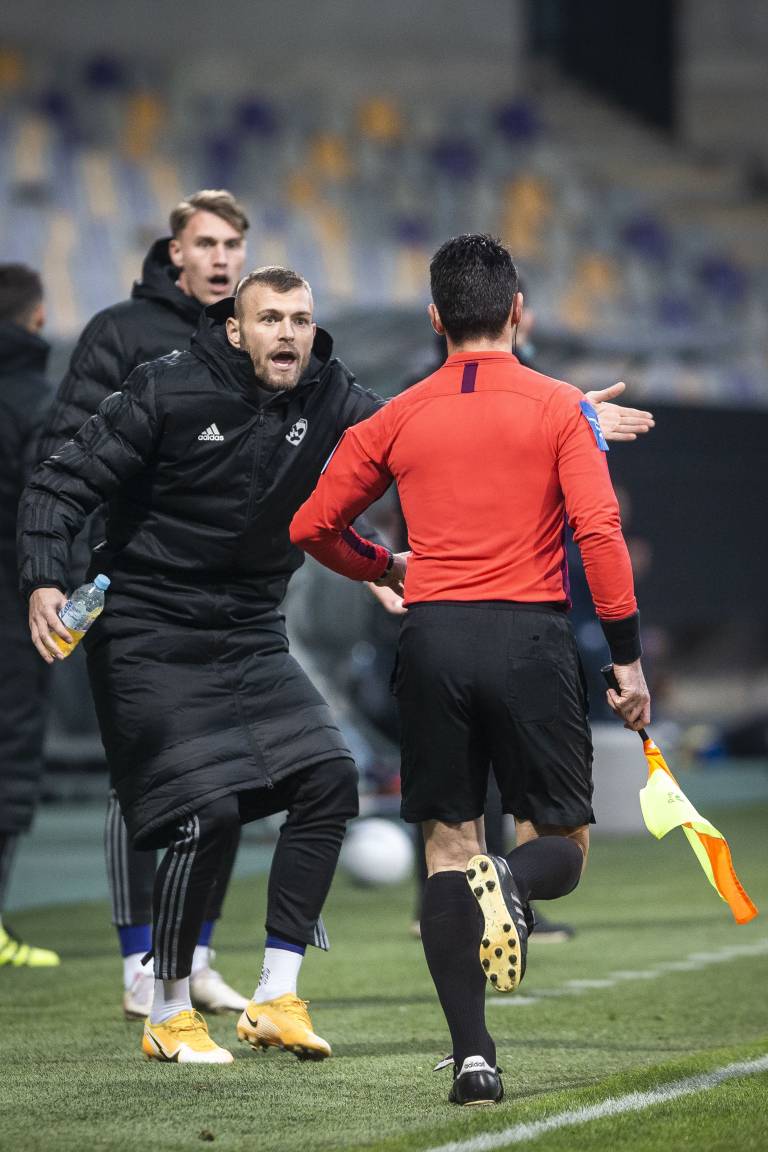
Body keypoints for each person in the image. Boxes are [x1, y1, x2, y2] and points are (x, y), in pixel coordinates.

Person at [290, 234, 651, 1106]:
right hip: (530, 639)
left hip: (434, 640)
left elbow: (310, 526)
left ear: (434, 317)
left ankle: (474, 1060)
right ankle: (515, 887)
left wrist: (383, 567)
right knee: (559, 847)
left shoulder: (398, 415)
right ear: (517, 311)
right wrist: (628, 660)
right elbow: (600, 534)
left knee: (449, 851)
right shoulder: (561, 408)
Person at [17, 266, 399, 1065]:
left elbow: (422, 433)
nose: (288, 333)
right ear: (234, 328)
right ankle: (167, 1009)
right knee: (208, 811)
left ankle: (275, 998)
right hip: (145, 628)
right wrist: (45, 580)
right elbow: (58, 483)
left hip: (249, 631)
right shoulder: (167, 387)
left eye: (300, 319)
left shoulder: (332, 397)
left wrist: (559, 417)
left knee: (330, 778)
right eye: (270, 318)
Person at [37, 189, 251, 1019]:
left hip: (225, 592)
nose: (222, 258)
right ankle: (138, 963)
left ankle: (193, 956)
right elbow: (63, 455)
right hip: (129, 583)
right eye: (208, 243)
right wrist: (58, 571)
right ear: (176, 253)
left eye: (233, 244)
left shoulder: (248, 338)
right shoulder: (120, 334)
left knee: (230, 771)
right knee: (142, 769)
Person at [0, 264, 57, 967]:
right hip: (14, 606)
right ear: (39, 318)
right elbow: (44, 506)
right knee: (9, 753)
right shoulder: (36, 401)